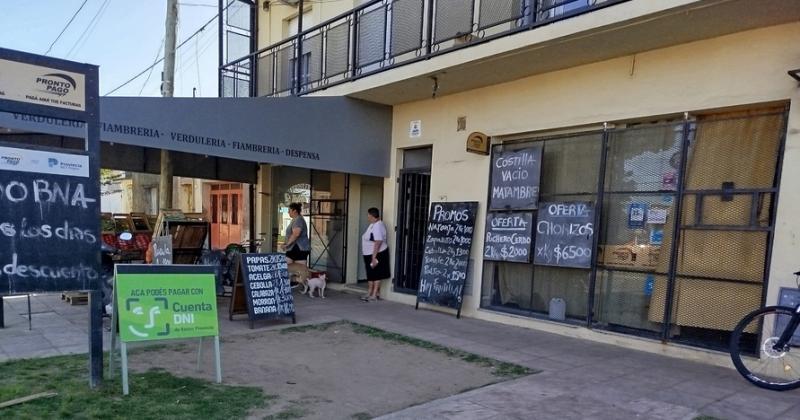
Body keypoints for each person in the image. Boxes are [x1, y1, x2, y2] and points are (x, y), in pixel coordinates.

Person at [361, 207, 390, 302]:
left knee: (376, 273)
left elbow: (378, 241)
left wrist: (374, 257)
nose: (367, 217)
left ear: (372, 216)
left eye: (368, 215)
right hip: (370, 253)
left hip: (376, 253)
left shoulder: (378, 225)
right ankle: (370, 292)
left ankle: (374, 294)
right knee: (371, 273)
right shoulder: (373, 224)